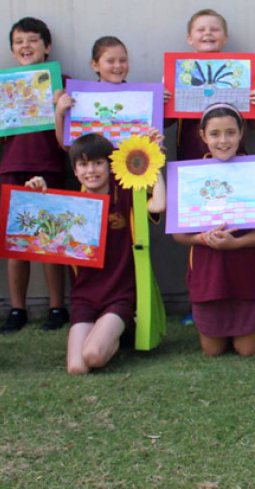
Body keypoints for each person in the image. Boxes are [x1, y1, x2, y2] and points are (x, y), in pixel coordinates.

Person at [0, 17, 69, 333]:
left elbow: (73, 134)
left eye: (33, 40)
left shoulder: (61, 82)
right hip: (12, 169)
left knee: (51, 241)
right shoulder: (0, 86)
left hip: (51, 167)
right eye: (19, 42)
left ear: (46, 47)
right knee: (16, 243)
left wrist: (61, 103)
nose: (26, 46)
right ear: (12, 50)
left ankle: (57, 307)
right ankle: (17, 310)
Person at [24, 132, 166, 374]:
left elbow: (158, 204)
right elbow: (38, 229)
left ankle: (120, 331)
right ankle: (114, 334)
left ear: (110, 166)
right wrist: (38, 194)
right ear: (75, 171)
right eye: (83, 164)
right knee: (77, 368)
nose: (91, 170)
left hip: (120, 294)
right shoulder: (70, 206)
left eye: (98, 163)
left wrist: (155, 164)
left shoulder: (126, 195)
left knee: (92, 355)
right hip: (84, 296)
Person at [171, 104, 255, 357]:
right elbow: (178, 234)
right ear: (202, 136)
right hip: (207, 271)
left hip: (246, 268)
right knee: (213, 351)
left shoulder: (254, 171)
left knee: (247, 350)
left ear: (241, 133)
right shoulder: (190, 174)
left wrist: (236, 244)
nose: (223, 140)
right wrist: (201, 238)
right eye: (215, 134)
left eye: (230, 132)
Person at [170, 9, 255, 161]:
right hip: (191, 155)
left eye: (214, 29)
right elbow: (165, 122)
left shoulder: (241, 72)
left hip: (233, 155)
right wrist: (162, 102)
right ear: (189, 38)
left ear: (225, 38)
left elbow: (254, 124)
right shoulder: (177, 74)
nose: (207, 33)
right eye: (200, 30)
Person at [54, 36, 131, 146]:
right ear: (95, 65)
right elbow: (67, 147)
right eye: (110, 61)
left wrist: (160, 102)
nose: (118, 66)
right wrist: (59, 113)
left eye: (123, 60)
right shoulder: (79, 98)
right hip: (93, 161)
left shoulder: (141, 99)